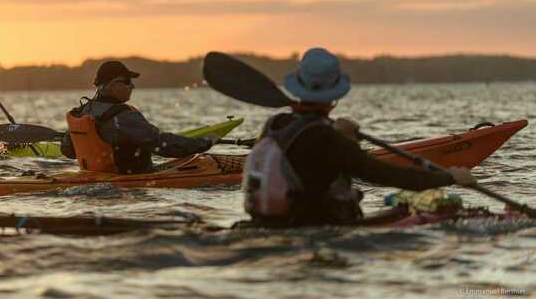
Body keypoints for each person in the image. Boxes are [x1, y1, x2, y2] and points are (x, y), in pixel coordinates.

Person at [243, 48, 477, 226]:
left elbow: (306, 155)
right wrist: (448, 177)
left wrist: (340, 134)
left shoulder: (274, 124)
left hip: (271, 224)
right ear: (334, 94)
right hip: (317, 227)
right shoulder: (328, 139)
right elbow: (383, 174)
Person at [61, 61, 219, 174]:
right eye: (127, 82)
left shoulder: (82, 112)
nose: (132, 86)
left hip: (94, 180)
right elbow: (161, 144)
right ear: (111, 85)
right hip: (129, 186)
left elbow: (67, 150)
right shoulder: (122, 116)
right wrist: (203, 143)